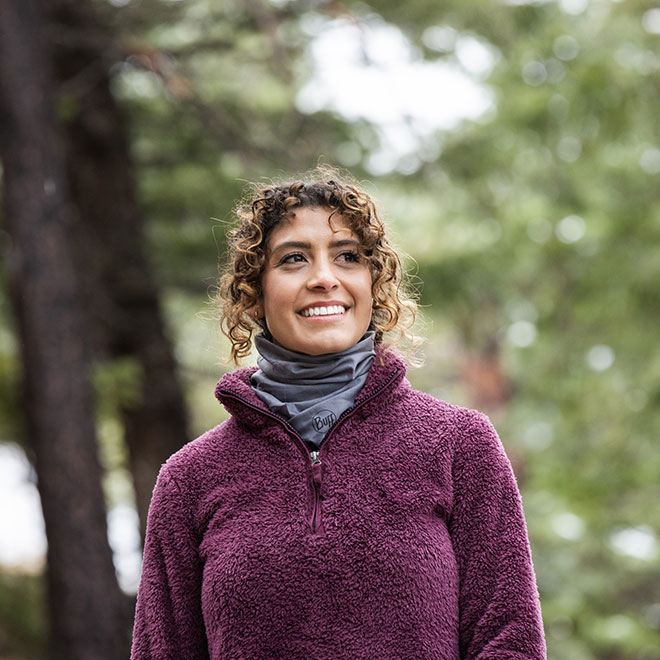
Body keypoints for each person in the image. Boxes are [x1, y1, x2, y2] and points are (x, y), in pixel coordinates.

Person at [131, 168, 547, 660]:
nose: (324, 278)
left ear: (373, 284)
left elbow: (509, 641)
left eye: (347, 256)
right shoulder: (190, 478)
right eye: (294, 259)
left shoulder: (458, 443)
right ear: (256, 293)